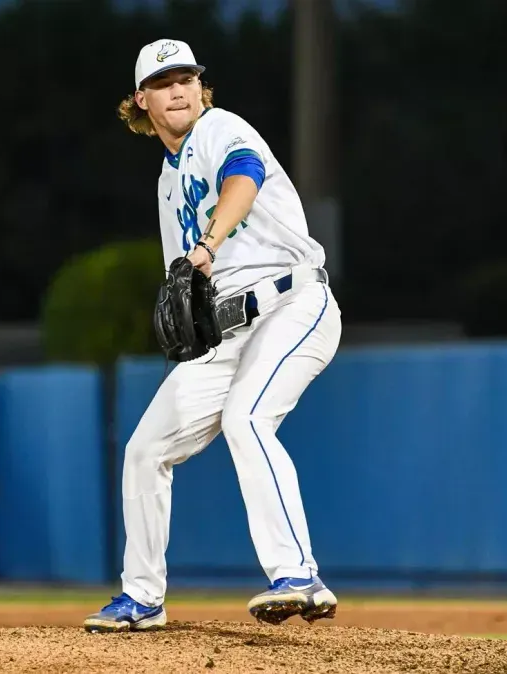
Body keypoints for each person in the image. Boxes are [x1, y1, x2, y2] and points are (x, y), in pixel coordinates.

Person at [83, 38, 342, 634]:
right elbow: (187, 279)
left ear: (202, 88)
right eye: (165, 82)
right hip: (228, 333)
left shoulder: (220, 128)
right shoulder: (166, 183)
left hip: (293, 305)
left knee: (246, 419)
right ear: (141, 100)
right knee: (145, 450)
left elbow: (243, 177)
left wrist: (209, 242)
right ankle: (142, 599)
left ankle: (299, 575)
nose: (179, 89)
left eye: (188, 78)